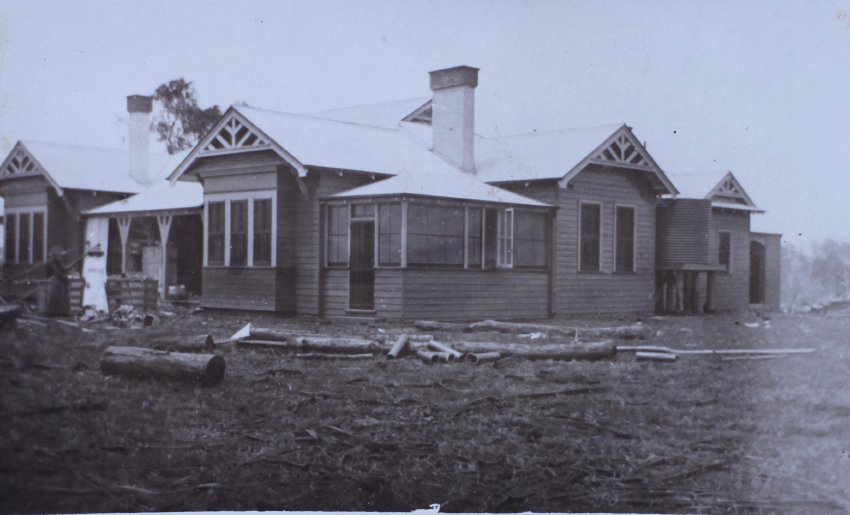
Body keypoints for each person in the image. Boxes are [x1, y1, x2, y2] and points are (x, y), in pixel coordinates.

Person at [45, 246, 70, 316]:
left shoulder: (58, 262)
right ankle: (53, 313)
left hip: (59, 280)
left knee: (60, 297)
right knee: (55, 296)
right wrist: (63, 274)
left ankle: (59, 313)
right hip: (56, 281)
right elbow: (57, 272)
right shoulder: (52, 262)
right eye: (60, 255)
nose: (61, 257)